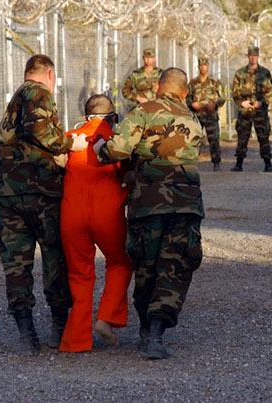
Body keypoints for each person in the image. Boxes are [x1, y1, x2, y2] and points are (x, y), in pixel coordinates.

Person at [94, 68, 204, 359]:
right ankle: (156, 332)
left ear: (157, 86)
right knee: (175, 265)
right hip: (186, 203)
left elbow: (118, 150)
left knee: (146, 264)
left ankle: (146, 330)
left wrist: (99, 148)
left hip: (148, 203)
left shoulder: (142, 112)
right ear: (184, 92)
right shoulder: (193, 119)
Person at [0, 54, 87, 356]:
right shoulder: (37, 92)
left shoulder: (17, 97)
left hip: (6, 191)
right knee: (56, 258)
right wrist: (71, 145)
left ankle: (26, 333)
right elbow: (39, 128)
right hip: (39, 191)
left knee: (16, 265)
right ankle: (59, 328)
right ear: (50, 73)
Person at [58, 95, 134, 352]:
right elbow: (129, 173)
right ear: (112, 116)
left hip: (72, 214)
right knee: (120, 262)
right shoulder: (116, 143)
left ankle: (76, 340)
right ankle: (106, 318)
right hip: (107, 213)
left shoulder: (70, 138)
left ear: (85, 114)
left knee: (79, 274)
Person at [231, 46, 272, 172]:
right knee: (242, 137)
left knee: (263, 137)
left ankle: (268, 163)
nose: (253, 58)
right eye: (251, 55)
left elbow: (269, 91)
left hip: (259, 111)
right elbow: (235, 92)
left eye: (255, 56)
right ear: (248, 56)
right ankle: (239, 163)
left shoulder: (265, 73)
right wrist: (241, 103)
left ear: (258, 57)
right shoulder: (240, 73)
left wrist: (261, 103)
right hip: (245, 111)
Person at [187, 56, 225, 172]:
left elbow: (222, 97)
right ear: (198, 67)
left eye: (205, 65)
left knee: (214, 140)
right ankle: (192, 163)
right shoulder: (193, 83)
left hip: (211, 115)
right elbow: (187, 97)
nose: (202, 67)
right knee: (193, 140)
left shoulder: (215, 82)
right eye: (200, 65)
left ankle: (216, 163)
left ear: (208, 67)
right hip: (197, 116)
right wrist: (192, 104)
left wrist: (215, 105)